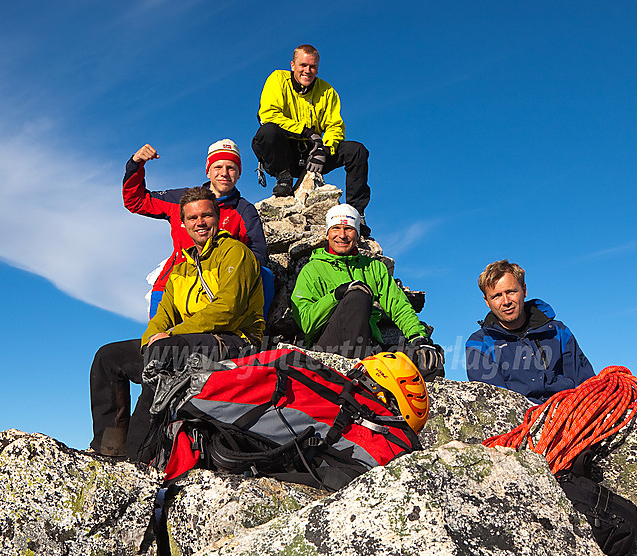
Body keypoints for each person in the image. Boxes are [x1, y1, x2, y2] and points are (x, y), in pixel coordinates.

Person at [90, 186, 265, 459]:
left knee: (162, 355)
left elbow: (228, 310)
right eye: (193, 218)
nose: (200, 223)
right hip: (190, 340)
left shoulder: (234, 253)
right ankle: (110, 449)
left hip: (235, 341)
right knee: (108, 357)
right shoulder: (181, 267)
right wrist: (151, 339)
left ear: (217, 218)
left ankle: (138, 457)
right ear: (182, 223)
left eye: (206, 215)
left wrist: (169, 335)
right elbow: (164, 314)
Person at [291, 204, 442, 378]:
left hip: (369, 346)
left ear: (357, 234)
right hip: (328, 346)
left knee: (429, 358)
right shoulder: (312, 270)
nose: (342, 235)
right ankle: (353, 379)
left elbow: (398, 304)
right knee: (357, 296)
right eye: (336, 229)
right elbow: (306, 323)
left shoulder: (373, 268)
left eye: (348, 228)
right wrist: (336, 296)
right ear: (327, 233)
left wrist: (419, 339)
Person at [123, 139, 268, 317]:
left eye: (231, 168)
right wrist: (136, 164)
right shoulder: (182, 200)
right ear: (208, 171)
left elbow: (258, 255)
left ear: (239, 174)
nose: (224, 173)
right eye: (218, 167)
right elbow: (136, 201)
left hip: (216, 288)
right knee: (159, 341)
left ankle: (257, 336)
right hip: (171, 285)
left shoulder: (244, 211)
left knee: (265, 275)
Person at [252, 44, 371, 234]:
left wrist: (325, 149)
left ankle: (357, 213)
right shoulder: (277, 79)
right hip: (285, 152)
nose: (307, 71)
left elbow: (335, 125)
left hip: (313, 155)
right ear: (293, 65)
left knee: (356, 151)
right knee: (267, 132)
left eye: (312, 67)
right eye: (303, 65)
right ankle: (283, 177)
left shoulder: (327, 90)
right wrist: (307, 133)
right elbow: (269, 114)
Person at [465, 259, 595, 403]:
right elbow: (495, 404)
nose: (506, 301)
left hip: (570, 414)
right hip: (519, 420)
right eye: (497, 296)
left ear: (524, 290)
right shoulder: (479, 345)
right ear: (487, 301)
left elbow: (587, 384)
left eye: (511, 292)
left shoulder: (559, 332)